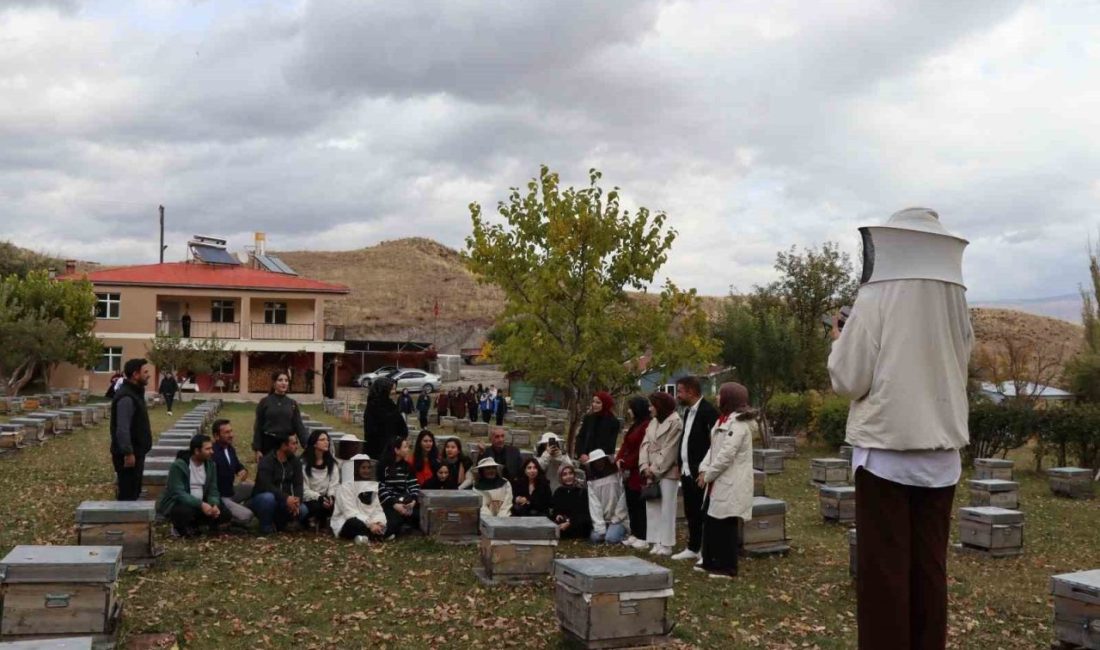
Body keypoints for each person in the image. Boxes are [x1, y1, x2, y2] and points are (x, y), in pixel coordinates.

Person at [828, 207, 973, 650]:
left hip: (887, 453)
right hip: (942, 454)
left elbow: (849, 378)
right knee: (930, 571)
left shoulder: (877, 293)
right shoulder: (955, 298)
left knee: (885, 576)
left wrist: (838, 341)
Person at [697, 382, 756, 579]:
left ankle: (727, 568)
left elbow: (726, 455)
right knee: (711, 521)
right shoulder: (722, 421)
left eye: (720, 394)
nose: (716, 398)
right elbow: (713, 450)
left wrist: (708, 475)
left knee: (726, 524)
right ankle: (710, 561)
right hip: (717, 481)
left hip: (730, 481)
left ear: (729, 398)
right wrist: (703, 468)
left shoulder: (738, 425)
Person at [673, 375, 719, 562]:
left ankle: (704, 549)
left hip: (700, 471)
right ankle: (692, 546)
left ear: (691, 392)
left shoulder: (708, 411)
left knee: (702, 511)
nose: (677, 395)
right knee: (690, 510)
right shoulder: (687, 412)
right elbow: (686, 440)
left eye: (680, 391)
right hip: (686, 470)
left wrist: (705, 470)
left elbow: (713, 444)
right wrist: (679, 463)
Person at [638, 391, 684, 556]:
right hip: (650, 468)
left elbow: (670, 449)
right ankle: (655, 539)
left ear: (660, 406)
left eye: (652, 405)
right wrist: (644, 466)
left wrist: (654, 469)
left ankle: (666, 543)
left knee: (667, 507)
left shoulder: (675, 422)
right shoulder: (653, 423)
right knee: (652, 504)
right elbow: (644, 445)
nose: (650, 409)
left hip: (667, 471)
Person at [158, 434, 230, 537]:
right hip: (182, 502)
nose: (212, 452)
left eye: (211, 448)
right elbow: (178, 493)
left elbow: (213, 489)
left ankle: (198, 525)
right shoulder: (179, 465)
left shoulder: (211, 465)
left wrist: (214, 504)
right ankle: (179, 527)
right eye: (208, 449)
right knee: (184, 511)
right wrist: (201, 504)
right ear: (197, 451)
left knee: (225, 513)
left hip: (202, 502)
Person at [110, 358, 152, 501]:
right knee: (127, 495)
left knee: (134, 492)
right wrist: (128, 453)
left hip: (136, 453)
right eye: (145, 372)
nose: (148, 375)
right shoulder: (127, 397)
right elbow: (122, 428)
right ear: (135, 374)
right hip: (128, 457)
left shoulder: (135, 393)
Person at [252, 434, 310, 535]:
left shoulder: (295, 462)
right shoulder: (267, 461)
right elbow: (266, 486)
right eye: (293, 443)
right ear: (283, 446)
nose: (296, 446)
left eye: (296, 443)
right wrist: (286, 498)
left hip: (285, 501)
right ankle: (266, 527)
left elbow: (298, 484)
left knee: (303, 510)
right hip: (264, 498)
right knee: (268, 498)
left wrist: (296, 500)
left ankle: (281, 524)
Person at [616, 396, 650, 549]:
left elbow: (641, 449)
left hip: (638, 471)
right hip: (628, 471)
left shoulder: (646, 425)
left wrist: (628, 463)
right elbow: (625, 444)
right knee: (631, 502)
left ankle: (643, 535)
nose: (629, 411)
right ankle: (635, 533)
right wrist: (619, 458)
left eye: (631, 408)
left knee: (639, 504)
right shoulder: (634, 425)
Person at [331, 454, 388, 543]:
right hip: (348, 520)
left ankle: (369, 535)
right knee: (354, 524)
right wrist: (370, 525)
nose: (366, 471)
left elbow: (377, 509)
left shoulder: (372, 485)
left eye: (368, 468)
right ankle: (373, 535)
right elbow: (349, 512)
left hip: (370, 520)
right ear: (356, 468)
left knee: (390, 521)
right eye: (363, 468)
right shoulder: (345, 486)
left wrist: (379, 522)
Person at [252, 371, 308, 462]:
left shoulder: (292, 403)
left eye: (286, 380)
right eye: (280, 380)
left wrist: (307, 444)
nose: (284, 383)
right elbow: (258, 426)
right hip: (268, 444)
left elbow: (299, 425)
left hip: (286, 444)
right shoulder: (264, 402)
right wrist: (257, 449)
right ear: (274, 383)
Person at [211, 418, 254, 526]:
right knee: (247, 516)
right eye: (226, 432)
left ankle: (237, 510)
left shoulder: (230, 449)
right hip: (220, 497)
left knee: (255, 487)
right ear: (216, 436)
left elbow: (237, 466)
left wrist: (243, 470)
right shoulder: (212, 453)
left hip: (231, 492)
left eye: (231, 431)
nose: (231, 435)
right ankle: (224, 518)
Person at [378, 437, 421, 536]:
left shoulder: (407, 466)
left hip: (405, 501)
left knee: (421, 516)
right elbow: (381, 488)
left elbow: (414, 485)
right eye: (405, 447)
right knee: (393, 522)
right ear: (397, 450)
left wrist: (413, 502)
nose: (408, 450)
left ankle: (406, 526)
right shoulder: (383, 466)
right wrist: (395, 505)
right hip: (389, 503)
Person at [585, 450, 630, 544]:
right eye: (596, 461)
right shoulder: (591, 482)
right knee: (595, 538)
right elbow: (594, 505)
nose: (599, 463)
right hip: (603, 520)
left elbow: (623, 497)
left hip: (619, 519)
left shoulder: (617, 475)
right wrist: (600, 526)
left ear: (605, 459)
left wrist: (617, 518)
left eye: (601, 460)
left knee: (611, 539)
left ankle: (621, 532)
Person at [363, 377, 409, 463]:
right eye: (392, 389)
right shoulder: (372, 407)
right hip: (376, 452)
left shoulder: (391, 406)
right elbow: (371, 432)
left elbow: (402, 429)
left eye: (394, 389)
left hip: (392, 451)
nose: (394, 392)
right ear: (384, 390)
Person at [301, 431, 338, 529]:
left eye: (327, 440)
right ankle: (310, 520)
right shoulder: (303, 464)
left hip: (326, 497)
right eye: (322, 440)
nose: (326, 442)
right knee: (316, 506)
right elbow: (304, 489)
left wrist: (331, 497)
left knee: (336, 504)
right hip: (310, 498)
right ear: (314, 443)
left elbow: (334, 484)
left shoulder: (332, 464)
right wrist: (319, 498)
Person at [574, 391, 621, 463]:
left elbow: (610, 446)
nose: (594, 405)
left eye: (598, 403)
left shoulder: (613, 422)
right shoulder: (589, 418)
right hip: (584, 459)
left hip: (600, 461)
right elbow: (581, 437)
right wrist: (581, 453)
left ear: (605, 404)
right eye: (593, 402)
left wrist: (592, 456)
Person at [550, 465, 591, 539]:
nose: (568, 476)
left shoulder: (581, 491)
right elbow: (556, 509)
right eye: (564, 474)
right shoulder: (559, 491)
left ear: (574, 475)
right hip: (564, 522)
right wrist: (557, 515)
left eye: (570, 473)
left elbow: (584, 513)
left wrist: (569, 522)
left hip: (578, 523)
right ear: (561, 478)